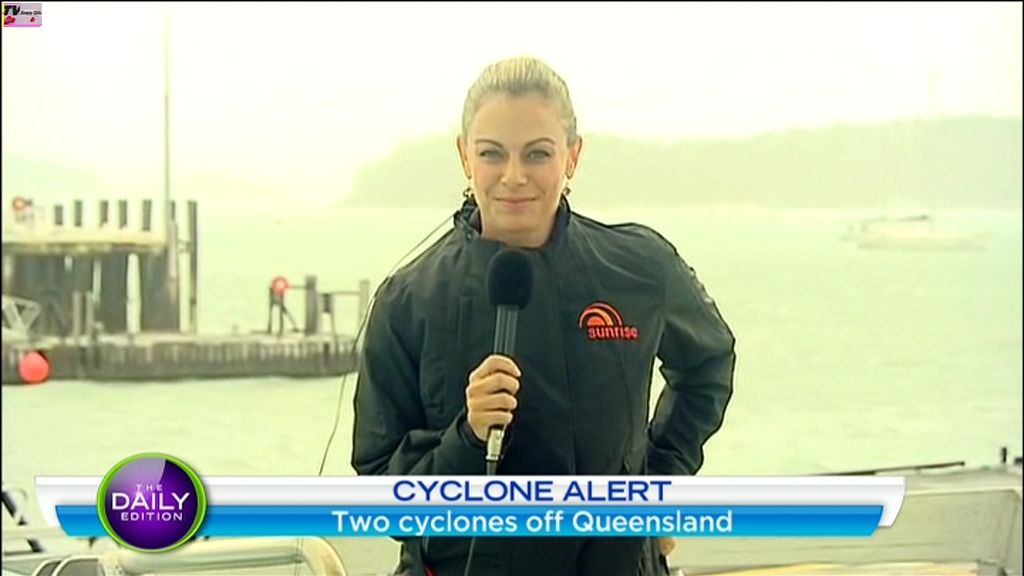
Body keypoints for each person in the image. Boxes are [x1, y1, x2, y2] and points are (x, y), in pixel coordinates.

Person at [351, 55, 737, 576]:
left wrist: (660, 485)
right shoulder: (408, 299)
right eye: (492, 154)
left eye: (537, 154)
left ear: (572, 156)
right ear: (465, 156)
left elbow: (708, 363)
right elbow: (382, 492)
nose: (514, 177)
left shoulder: (639, 266)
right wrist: (468, 437)